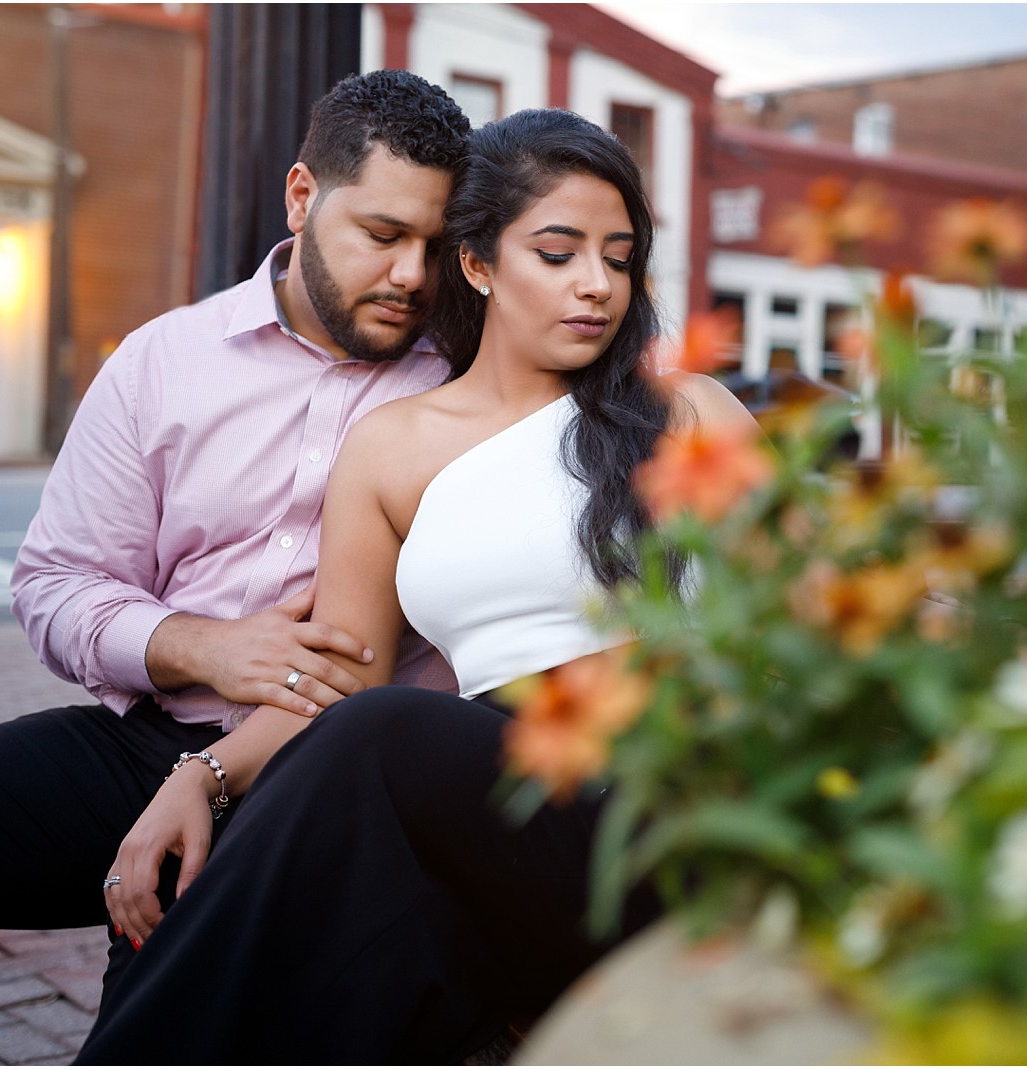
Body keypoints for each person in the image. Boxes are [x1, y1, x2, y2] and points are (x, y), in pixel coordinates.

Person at [74, 106, 756, 1064]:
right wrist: (204, 775)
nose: (597, 285)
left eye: (619, 254)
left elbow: (794, 619)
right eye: (557, 253)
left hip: (669, 797)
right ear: (478, 264)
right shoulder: (391, 446)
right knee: (360, 929)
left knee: (381, 741)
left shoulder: (686, 412)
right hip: (502, 823)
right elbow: (340, 676)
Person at [0, 70, 470, 988]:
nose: (412, 275)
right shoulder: (162, 361)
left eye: (435, 243)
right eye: (383, 235)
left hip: (330, 775)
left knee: (155, 999)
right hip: (148, 735)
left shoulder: (465, 384)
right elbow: (57, 583)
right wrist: (203, 648)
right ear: (303, 197)